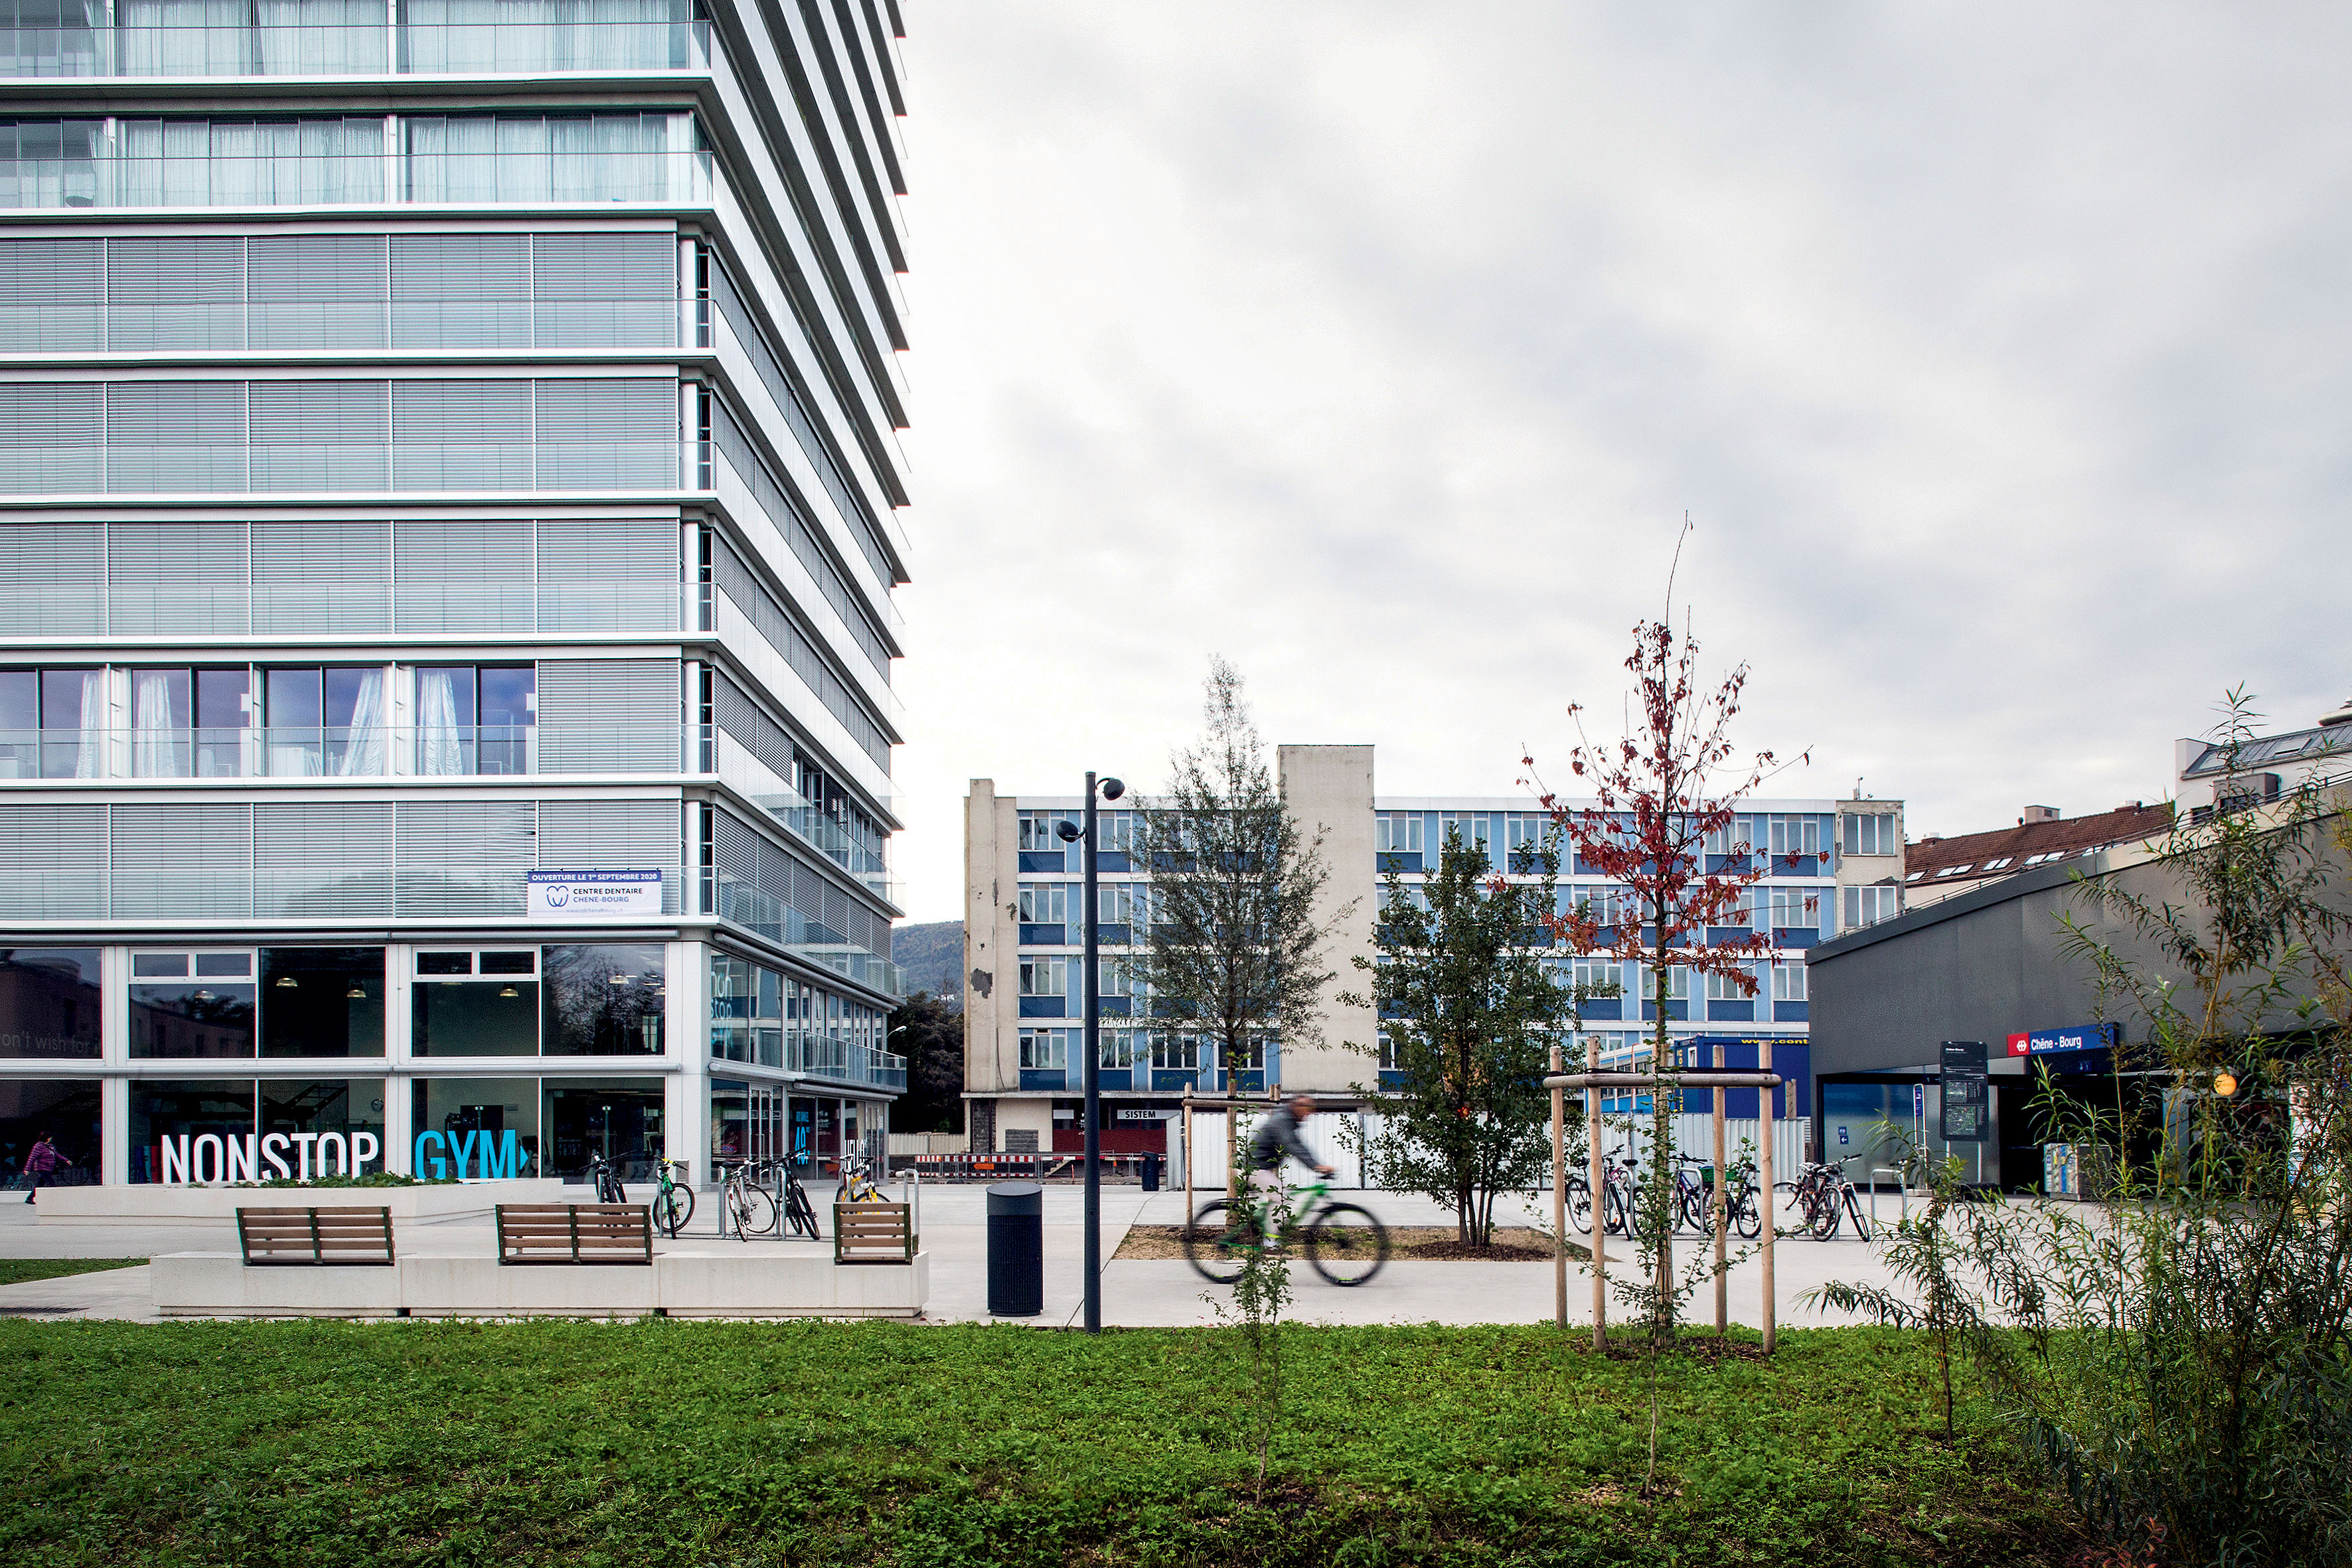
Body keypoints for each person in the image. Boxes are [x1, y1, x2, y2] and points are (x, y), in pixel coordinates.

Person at [1245, 1094, 1334, 1239]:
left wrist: (1316, 1164)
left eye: (1311, 1110)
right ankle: (1271, 1244)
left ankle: (1261, 1227)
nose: (1308, 1114)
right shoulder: (1282, 1121)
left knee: (1279, 1196)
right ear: (1297, 1107)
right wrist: (1317, 1166)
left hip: (1260, 1167)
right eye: (1307, 1109)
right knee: (1281, 1199)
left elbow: (1299, 1145)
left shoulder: (1287, 1120)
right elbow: (1293, 1146)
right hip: (1254, 1168)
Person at [21, 1131, 66, 1205]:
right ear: (48, 1138)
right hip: (42, 1168)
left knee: (40, 1185)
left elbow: (56, 1154)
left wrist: (65, 1160)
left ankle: (29, 1198)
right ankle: (55, 1200)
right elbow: (32, 1158)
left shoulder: (50, 1146)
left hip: (49, 1168)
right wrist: (27, 1169)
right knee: (52, 1183)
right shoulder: (38, 1146)